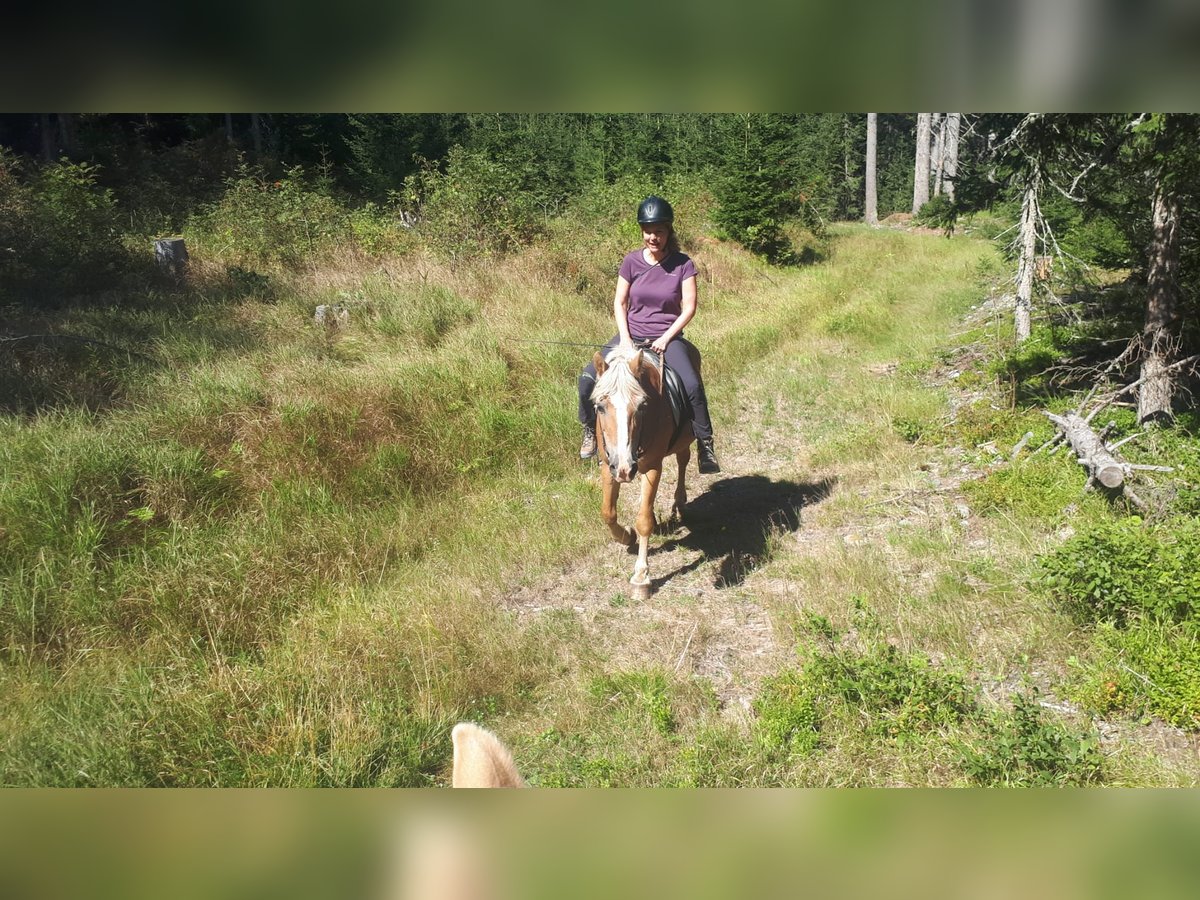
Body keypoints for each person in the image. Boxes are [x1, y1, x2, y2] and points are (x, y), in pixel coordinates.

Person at [578, 195, 721, 474]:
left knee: (692, 385)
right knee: (586, 380)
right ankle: (589, 432)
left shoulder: (682, 264)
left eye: (659, 231)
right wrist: (625, 338)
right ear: (642, 231)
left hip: (667, 338)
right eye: (648, 231)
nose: (653, 237)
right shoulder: (631, 261)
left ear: (668, 232)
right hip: (630, 336)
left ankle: (705, 443)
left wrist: (666, 338)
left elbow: (689, 307)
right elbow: (620, 302)